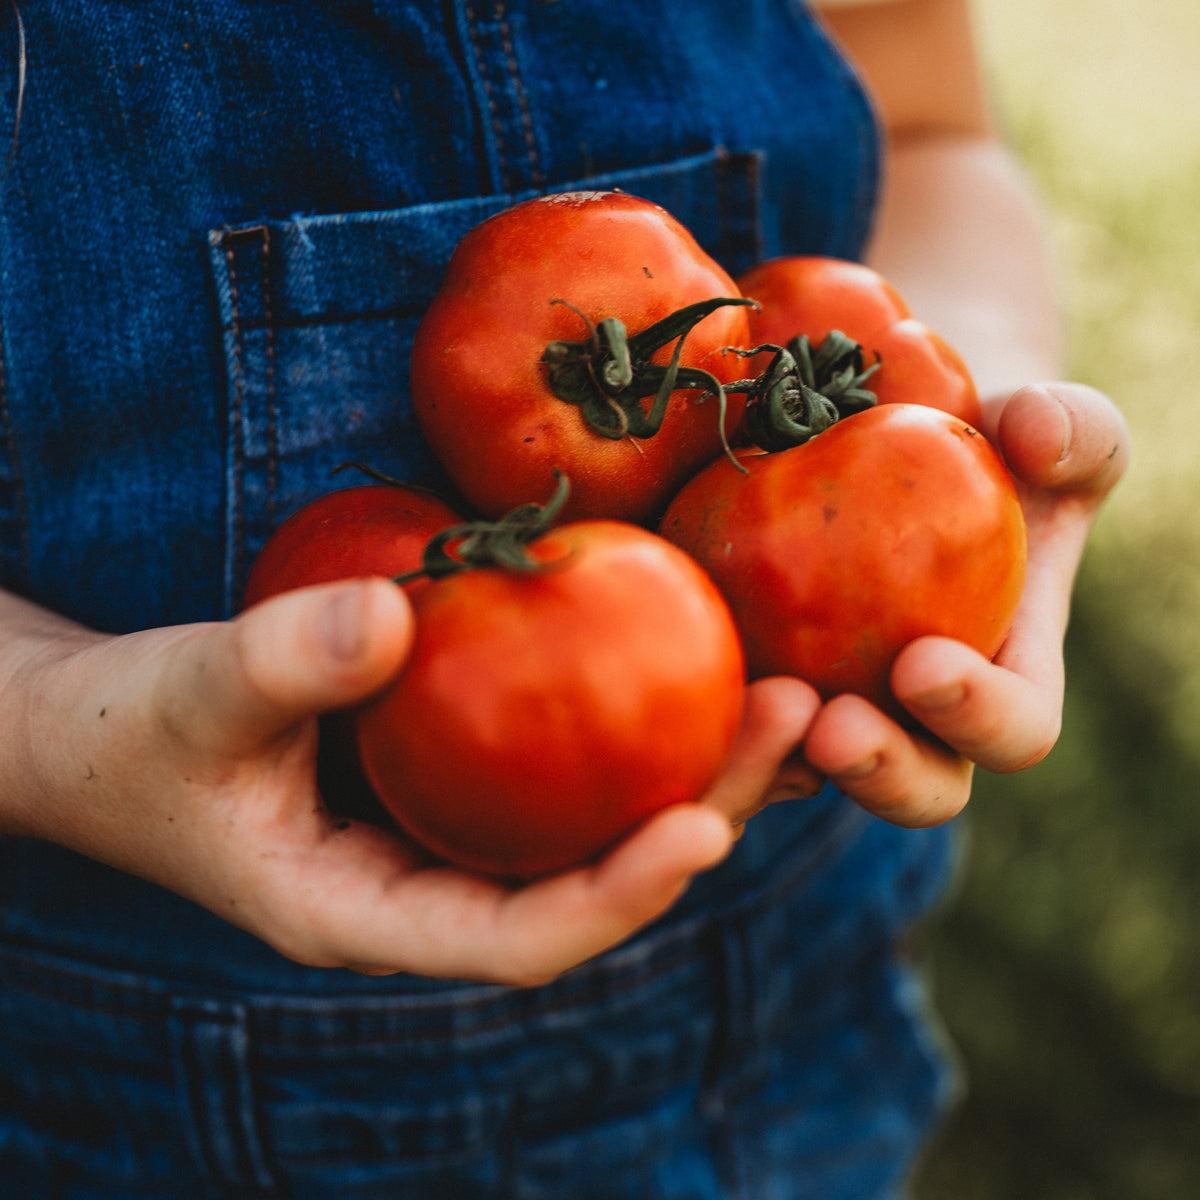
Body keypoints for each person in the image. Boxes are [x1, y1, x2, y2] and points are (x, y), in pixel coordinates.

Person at [0, 1, 1128, 1196]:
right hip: (124, 1079)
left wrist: (985, 420)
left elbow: (925, 124)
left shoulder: (743, 438)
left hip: (792, 998)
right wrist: (44, 719)